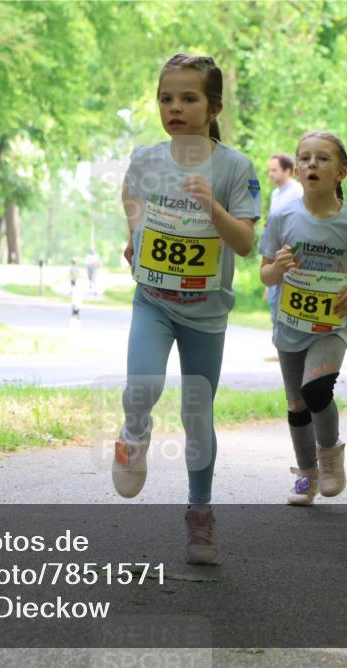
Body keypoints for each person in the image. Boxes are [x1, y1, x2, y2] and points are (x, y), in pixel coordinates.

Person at [114, 53, 261, 563]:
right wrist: (134, 235)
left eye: (188, 98)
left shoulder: (234, 167)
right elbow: (131, 195)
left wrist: (213, 208)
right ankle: (133, 435)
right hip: (153, 300)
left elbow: (244, 243)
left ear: (214, 106)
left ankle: (200, 517)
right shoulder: (147, 158)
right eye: (165, 98)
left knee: (197, 415)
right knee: (141, 387)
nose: (174, 107)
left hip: (206, 312)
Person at [259, 130, 347, 506]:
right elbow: (265, 274)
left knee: (316, 390)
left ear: (341, 172)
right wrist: (278, 269)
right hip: (290, 323)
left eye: (322, 158)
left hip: (331, 326)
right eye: (304, 158)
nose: (311, 164)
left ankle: (330, 455)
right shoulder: (283, 217)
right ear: (297, 170)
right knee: (296, 403)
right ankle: (306, 476)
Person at [264, 153, 304, 314]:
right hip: (275, 254)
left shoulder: (297, 191)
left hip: (292, 256)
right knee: (274, 309)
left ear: (287, 171)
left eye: (274, 170)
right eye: (270, 170)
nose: (270, 173)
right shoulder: (275, 194)